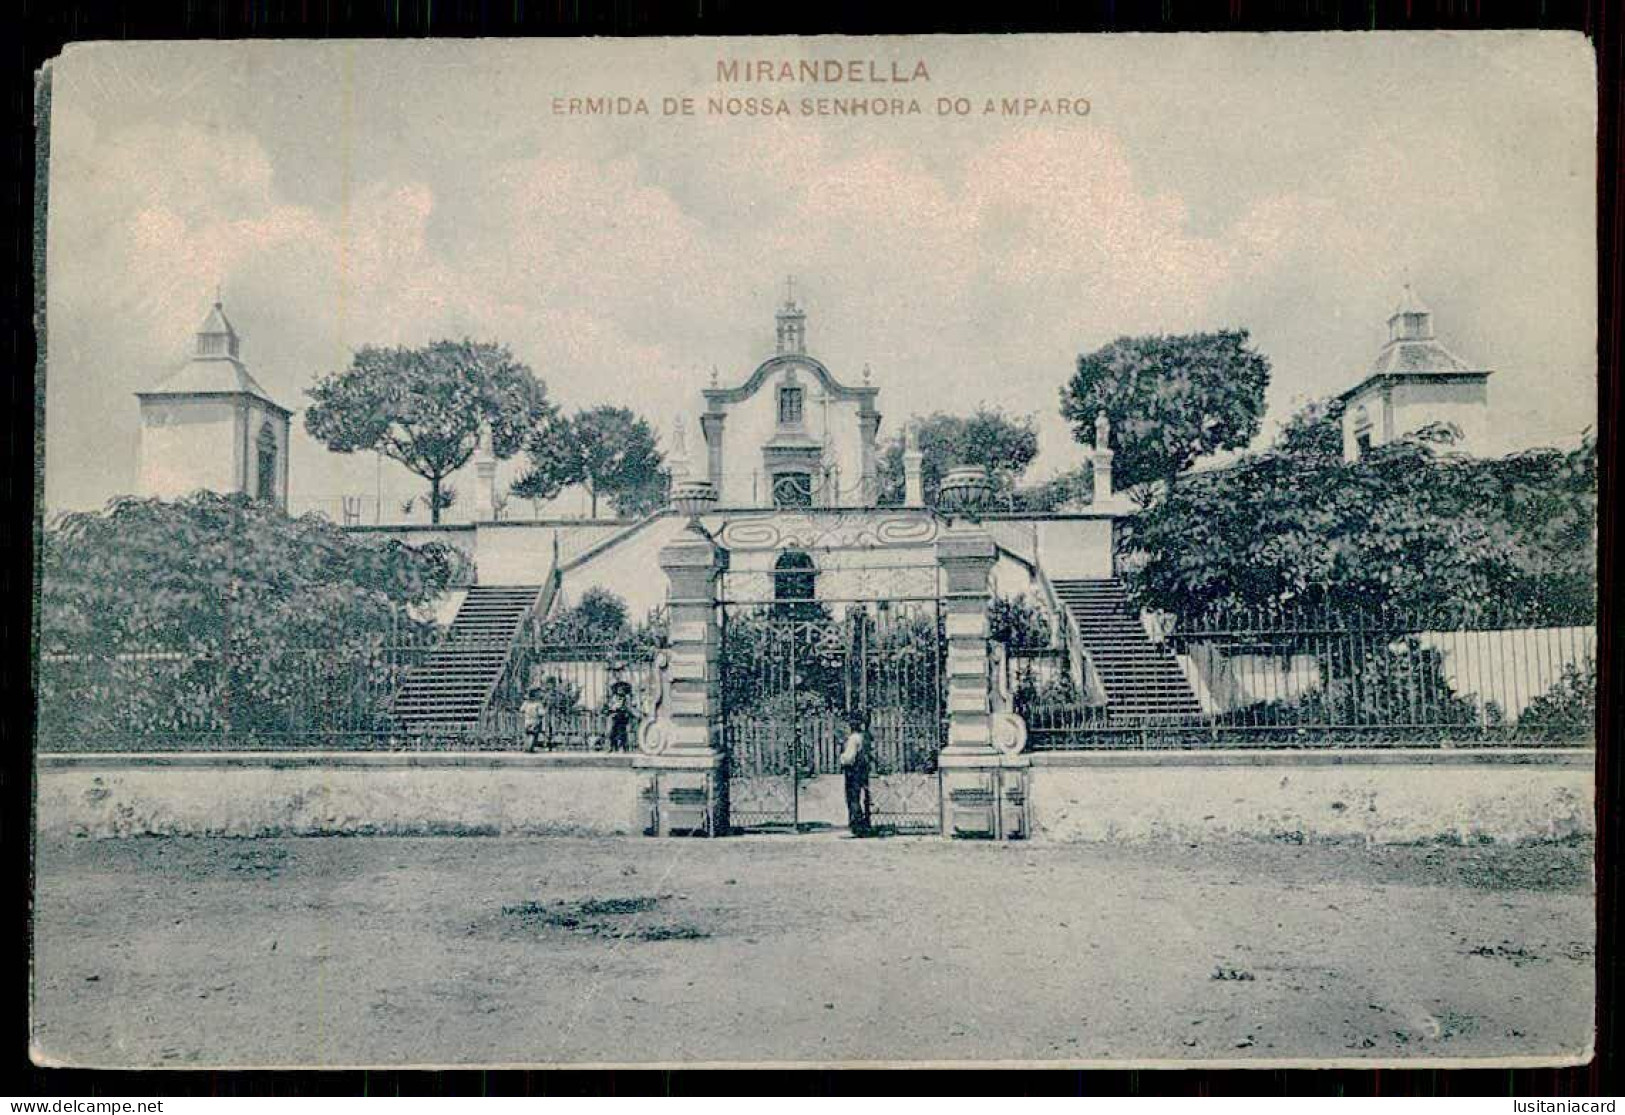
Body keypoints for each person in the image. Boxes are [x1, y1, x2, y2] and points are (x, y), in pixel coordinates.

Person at [839, 712, 872, 836]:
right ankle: (860, 824)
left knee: (852, 798)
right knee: (857, 796)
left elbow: (849, 757)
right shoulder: (863, 736)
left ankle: (857, 826)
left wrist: (842, 757)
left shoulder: (853, 738)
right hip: (860, 770)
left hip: (853, 770)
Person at [520, 686, 547, 753]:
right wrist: (544, 711)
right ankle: (531, 747)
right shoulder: (538, 704)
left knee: (527, 734)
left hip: (527, 720)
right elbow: (541, 713)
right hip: (535, 721)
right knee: (535, 734)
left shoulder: (526, 703)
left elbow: (521, 710)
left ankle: (526, 747)